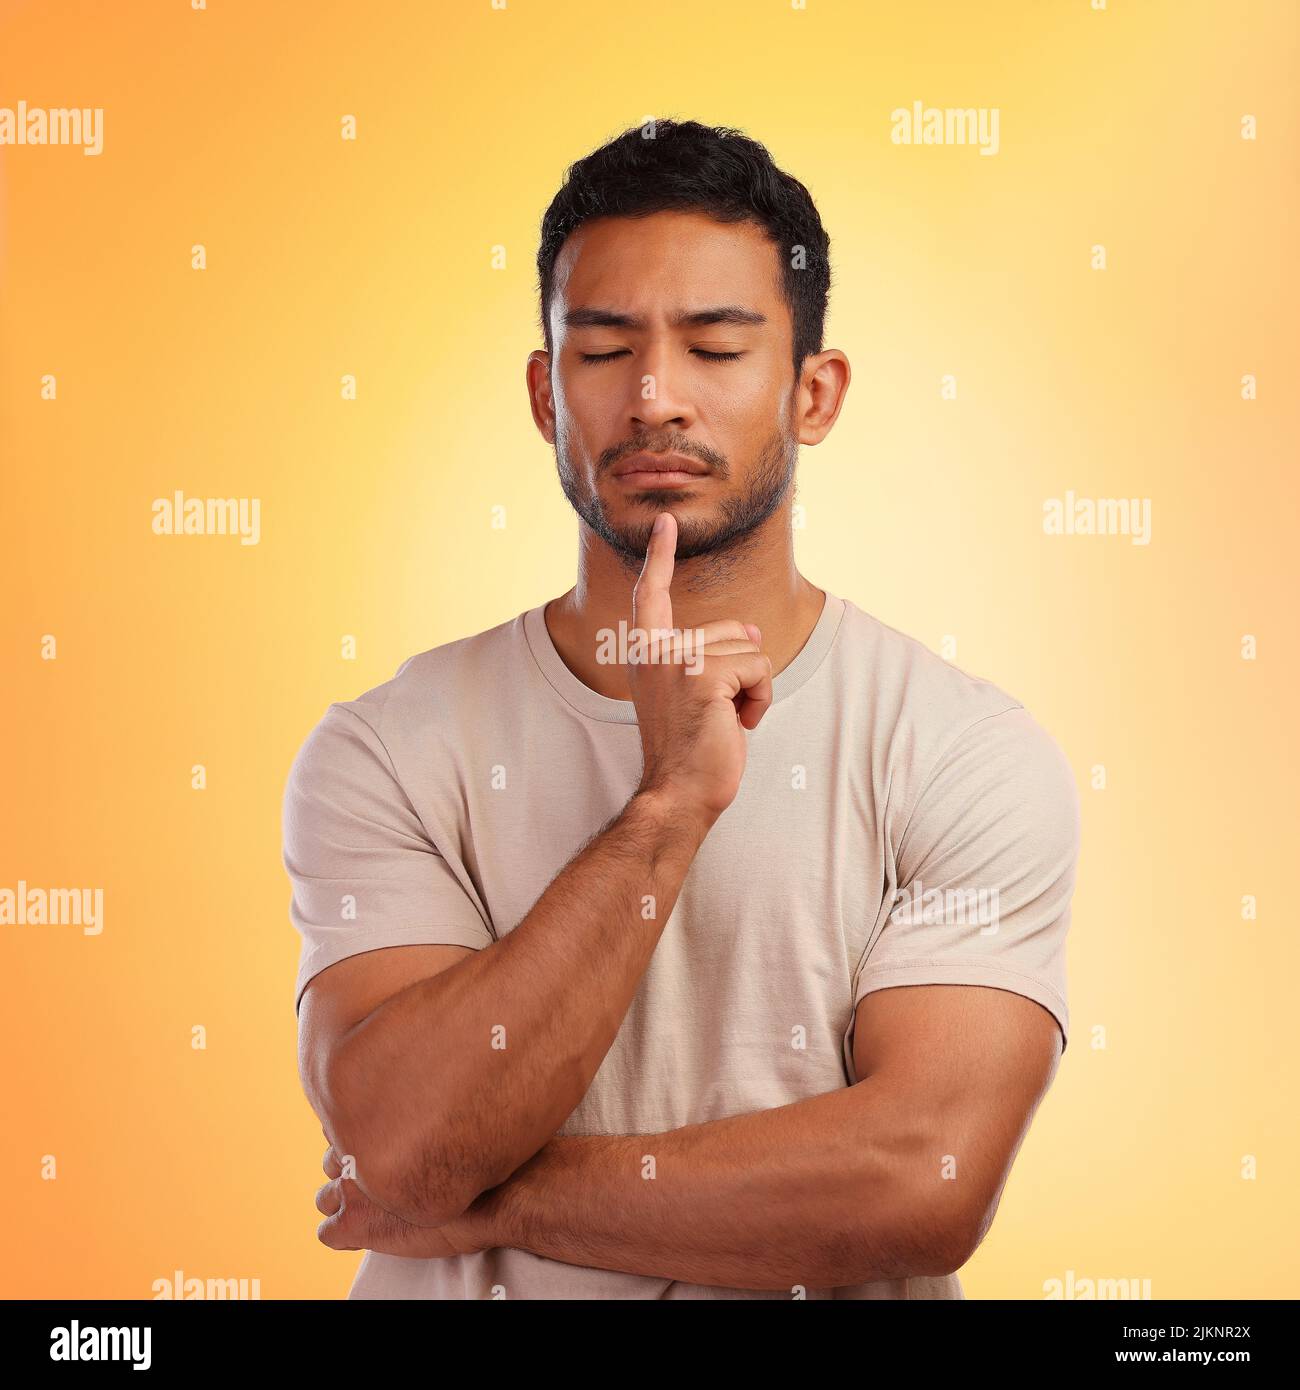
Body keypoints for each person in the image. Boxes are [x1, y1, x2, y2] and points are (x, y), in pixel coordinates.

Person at [285, 118, 1080, 1300]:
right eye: (603, 351)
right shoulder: (389, 746)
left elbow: (925, 1177)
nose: (655, 398)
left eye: (714, 347)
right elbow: (402, 1140)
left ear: (813, 392)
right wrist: (666, 807)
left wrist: (489, 1196)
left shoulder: (958, 749)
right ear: (547, 394)